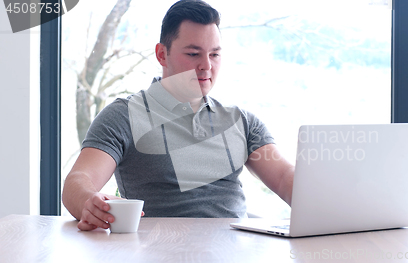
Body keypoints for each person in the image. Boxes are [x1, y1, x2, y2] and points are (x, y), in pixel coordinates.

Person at [62, 0, 294, 231]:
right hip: (161, 251)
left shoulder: (242, 122)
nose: (206, 66)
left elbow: (284, 178)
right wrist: (89, 203)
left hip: (234, 251)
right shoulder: (123, 116)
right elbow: (78, 181)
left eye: (214, 55)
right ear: (162, 55)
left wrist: (322, 198)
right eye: (194, 54)